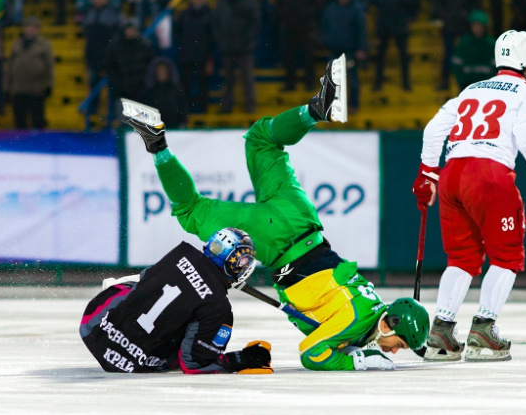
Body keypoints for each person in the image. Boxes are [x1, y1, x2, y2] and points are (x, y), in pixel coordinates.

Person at [122, 72, 430, 371]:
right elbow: (312, 354)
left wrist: (351, 347)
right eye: (400, 345)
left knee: (261, 140)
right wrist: (358, 362)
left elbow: (333, 330)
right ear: (392, 325)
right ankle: (157, 142)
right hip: (278, 243)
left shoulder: (370, 309)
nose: (394, 352)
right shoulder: (358, 320)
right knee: (190, 210)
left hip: (301, 217)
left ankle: (315, 110)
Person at [413, 30, 526, 362]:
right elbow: (525, 132)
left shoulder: (470, 89)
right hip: (490, 175)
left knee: (462, 258)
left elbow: (434, 128)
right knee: (507, 256)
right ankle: (483, 328)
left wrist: (427, 174)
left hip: (453, 173)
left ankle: (441, 331)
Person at [80, 226, 274, 374]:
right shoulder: (219, 307)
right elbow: (194, 363)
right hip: (131, 364)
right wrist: (243, 359)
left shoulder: (182, 253)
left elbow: (148, 282)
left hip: (93, 328)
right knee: (191, 324)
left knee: (142, 282)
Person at [367, 0, 420, 91]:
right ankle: (377, 83)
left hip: (400, 23)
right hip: (383, 22)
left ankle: (406, 84)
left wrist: (403, 3)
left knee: (403, 55)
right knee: (380, 56)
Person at [213, 0, 259, 114]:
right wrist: (220, 39)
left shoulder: (249, 1)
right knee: (228, 79)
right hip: (227, 47)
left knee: (247, 78)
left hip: (244, 47)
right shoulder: (222, 2)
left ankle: (250, 106)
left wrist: (248, 39)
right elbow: (216, 23)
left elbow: (255, 22)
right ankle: (227, 106)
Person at [435, 0, 482, 90]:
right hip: (449, 23)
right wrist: (445, 15)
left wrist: (469, 16)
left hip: (466, 24)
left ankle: (467, 82)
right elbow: (438, 1)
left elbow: (477, 2)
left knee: (467, 54)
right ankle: (445, 80)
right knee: (448, 53)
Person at [276, 0, 323, 92]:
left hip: (306, 26)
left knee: (308, 56)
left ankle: (310, 83)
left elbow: (318, 3)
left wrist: (307, 14)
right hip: (289, 26)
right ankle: (290, 83)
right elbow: (279, 4)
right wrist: (285, 15)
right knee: (289, 56)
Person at [321, 0, 368, 111]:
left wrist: (361, 48)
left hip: (350, 51)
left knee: (352, 79)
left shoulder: (356, 9)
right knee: (332, 80)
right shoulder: (330, 8)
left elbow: (361, 30)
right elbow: (324, 26)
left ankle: (353, 105)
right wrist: (327, 40)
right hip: (334, 49)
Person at [3, 16, 53, 129]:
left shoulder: (44, 44)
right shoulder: (17, 43)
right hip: (18, 88)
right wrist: (7, 87)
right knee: (19, 120)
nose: (30, 29)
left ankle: (39, 144)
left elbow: (49, 66)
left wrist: (49, 84)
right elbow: (10, 67)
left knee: (38, 119)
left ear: (38, 29)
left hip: (36, 89)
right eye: (28, 27)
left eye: (33, 27)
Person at [82, 0, 121, 117]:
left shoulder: (113, 14)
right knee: (93, 85)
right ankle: (93, 112)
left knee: (111, 88)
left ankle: (111, 114)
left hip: (108, 58)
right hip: (93, 57)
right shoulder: (90, 12)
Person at [174, 0, 214, 112]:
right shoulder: (184, 15)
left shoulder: (210, 15)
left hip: (203, 56)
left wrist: (209, 58)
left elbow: (212, 37)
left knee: (203, 85)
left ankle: (203, 110)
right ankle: (186, 110)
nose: (197, 0)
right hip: (186, 56)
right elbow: (178, 33)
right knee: (186, 84)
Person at [105, 18, 154, 109]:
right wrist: (118, 84)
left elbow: (150, 64)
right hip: (123, 89)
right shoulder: (116, 47)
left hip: (140, 88)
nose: (132, 32)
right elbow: (111, 67)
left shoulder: (144, 45)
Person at [451, 10, 496, 89]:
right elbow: (457, 64)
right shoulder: (463, 43)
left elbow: (495, 66)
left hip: (487, 86)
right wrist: (462, 81)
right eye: (475, 25)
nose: (477, 28)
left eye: (480, 25)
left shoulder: (491, 44)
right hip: (466, 85)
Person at [142, 57, 187, 128]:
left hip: (174, 126)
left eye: (164, 71)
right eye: (159, 71)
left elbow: (183, 108)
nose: (162, 73)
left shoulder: (176, 89)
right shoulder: (149, 91)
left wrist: (182, 122)